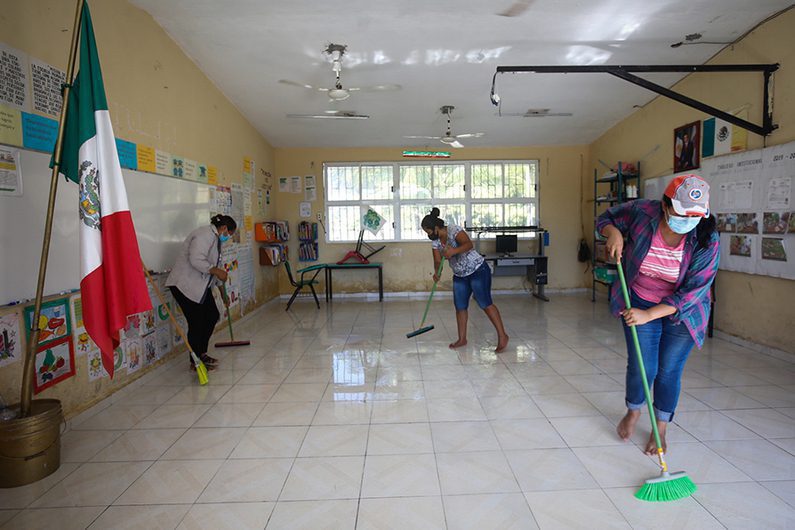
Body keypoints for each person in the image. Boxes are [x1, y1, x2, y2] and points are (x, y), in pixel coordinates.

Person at [597, 174, 718, 454]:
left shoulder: (706, 236)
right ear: (665, 205)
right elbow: (606, 217)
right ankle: (634, 410)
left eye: (695, 215)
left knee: (668, 371)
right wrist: (613, 232)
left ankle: (661, 426)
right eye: (681, 212)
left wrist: (649, 315)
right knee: (643, 365)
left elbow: (693, 290)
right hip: (639, 296)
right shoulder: (643, 212)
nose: (688, 219)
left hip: (684, 310)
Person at [421, 207, 509, 352]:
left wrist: (453, 251)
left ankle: (503, 335)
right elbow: (437, 260)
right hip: (460, 275)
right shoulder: (435, 242)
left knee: (485, 303)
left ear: (436, 227)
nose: (428, 235)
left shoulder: (454, 230)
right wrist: (437, 272)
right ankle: (462, 339)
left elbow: (468, 244)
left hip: (477, 270)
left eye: (429, 232)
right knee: (460, 306)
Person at [166, 214, 236, 370]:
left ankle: (202, 353)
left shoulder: (217, 240)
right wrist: (216, 271)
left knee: (212, 316)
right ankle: (195, 361)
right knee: (197, 322)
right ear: (224, 228)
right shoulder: (204, 234)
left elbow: (216, 268)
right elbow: (196, 259)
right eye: (229, 234)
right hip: (184, 285)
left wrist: (222, 291)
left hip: (200, 286)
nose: (228, 238)